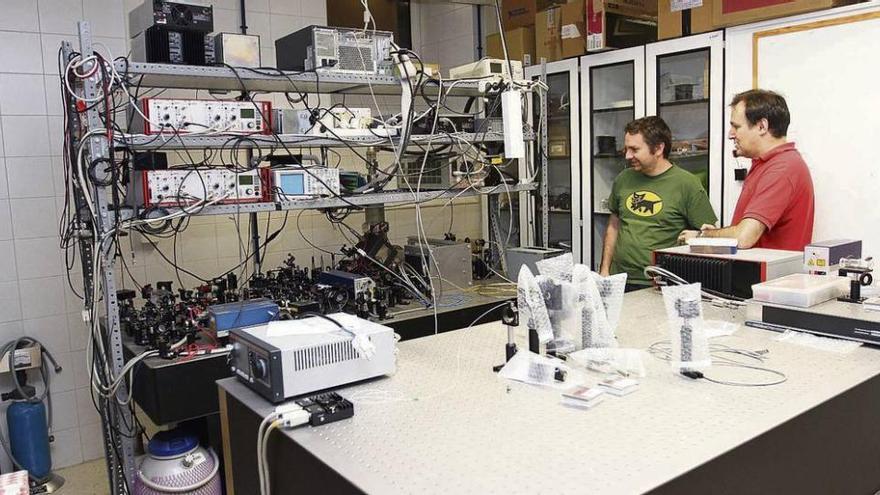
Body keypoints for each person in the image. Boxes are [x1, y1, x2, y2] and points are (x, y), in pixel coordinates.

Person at [679, 89, 814, 250]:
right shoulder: (766, 164)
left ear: (762, 127)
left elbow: (744, 238)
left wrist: (704, 237)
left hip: (768, 275)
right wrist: (718, 235)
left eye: (736, 127)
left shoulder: (783, 168)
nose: (731, 134)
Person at [600, 116, 717, 289]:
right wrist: (604, 270)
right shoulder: (623, 179)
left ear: (658, 148)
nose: (627, 155)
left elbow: (710, 233)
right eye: (626, 149)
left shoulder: (687, 184)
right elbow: (614, 225)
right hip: (620, 280)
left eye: (634, 149)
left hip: (662, 284)